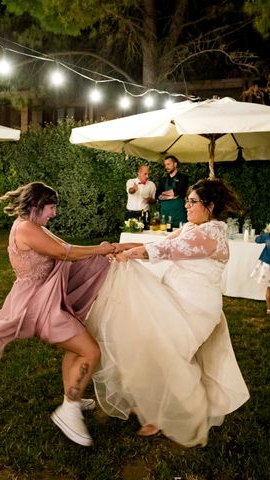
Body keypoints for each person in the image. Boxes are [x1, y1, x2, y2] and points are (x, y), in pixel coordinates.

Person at [86, 178, 250, 447]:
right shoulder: (194, 227)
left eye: (192, 202)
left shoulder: (209, 235)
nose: (186, 206)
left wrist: (129, 255)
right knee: (153, 349)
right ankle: (152, 407)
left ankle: (166, 414)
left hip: (194, 307)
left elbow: (163, 250)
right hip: (173, 299)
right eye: (187, 200)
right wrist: (117, 248)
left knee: (167, 357)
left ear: (209, 206)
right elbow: (160, 241)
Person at [0, 182, 128, 447]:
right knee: (90, 352)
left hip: (45, 296)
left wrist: (100, 251)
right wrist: (101, 250)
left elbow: (65, 246)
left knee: (77, 348)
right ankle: (67, 412)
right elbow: (63, 253)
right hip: (38, 303)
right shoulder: (25, 228)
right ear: (36, 206)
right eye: (51, 207)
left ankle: (73, 398)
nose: (54, 213)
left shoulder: (34, 226)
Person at [156, 155, 188, 227]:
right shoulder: (163, 180)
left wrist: (164, 194)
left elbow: (178, 191)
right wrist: (170, 197)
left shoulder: (183, 178)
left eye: (168, 164)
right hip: (165, 215)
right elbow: (157, 195)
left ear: (175, 164)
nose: (166, 167)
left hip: (179, 215)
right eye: (165, 165)